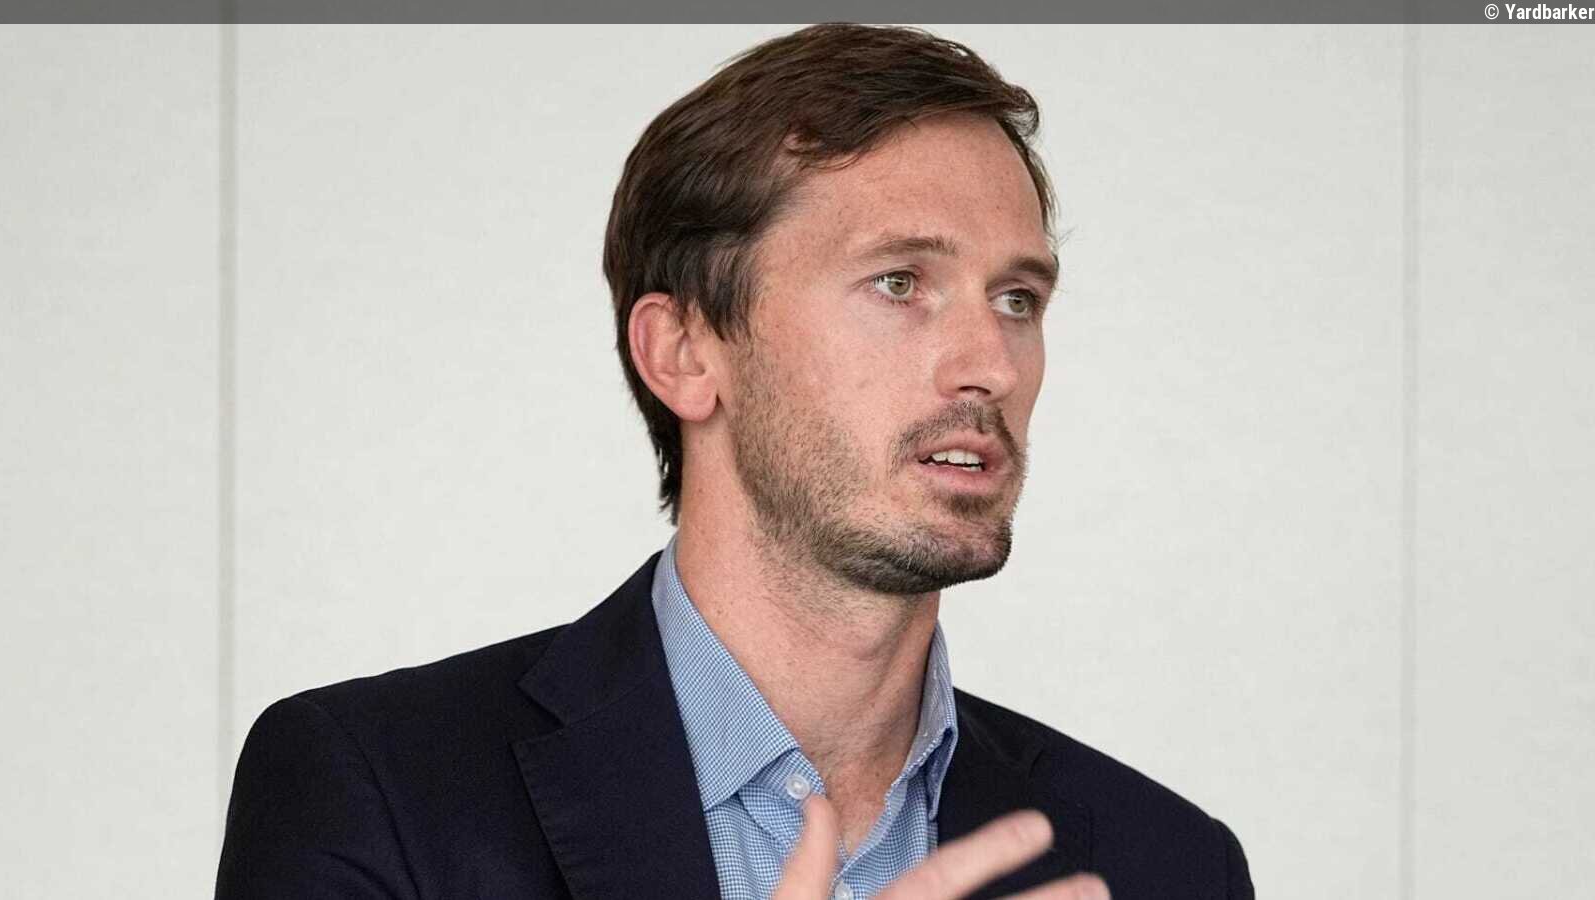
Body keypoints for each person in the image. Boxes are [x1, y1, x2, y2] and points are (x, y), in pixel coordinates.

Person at [216, 23, 1253, 900]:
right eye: (900, 283)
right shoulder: (377, 793)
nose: (990, 363)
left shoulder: (1166, 867)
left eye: (1017, 298)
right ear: (684, 352)